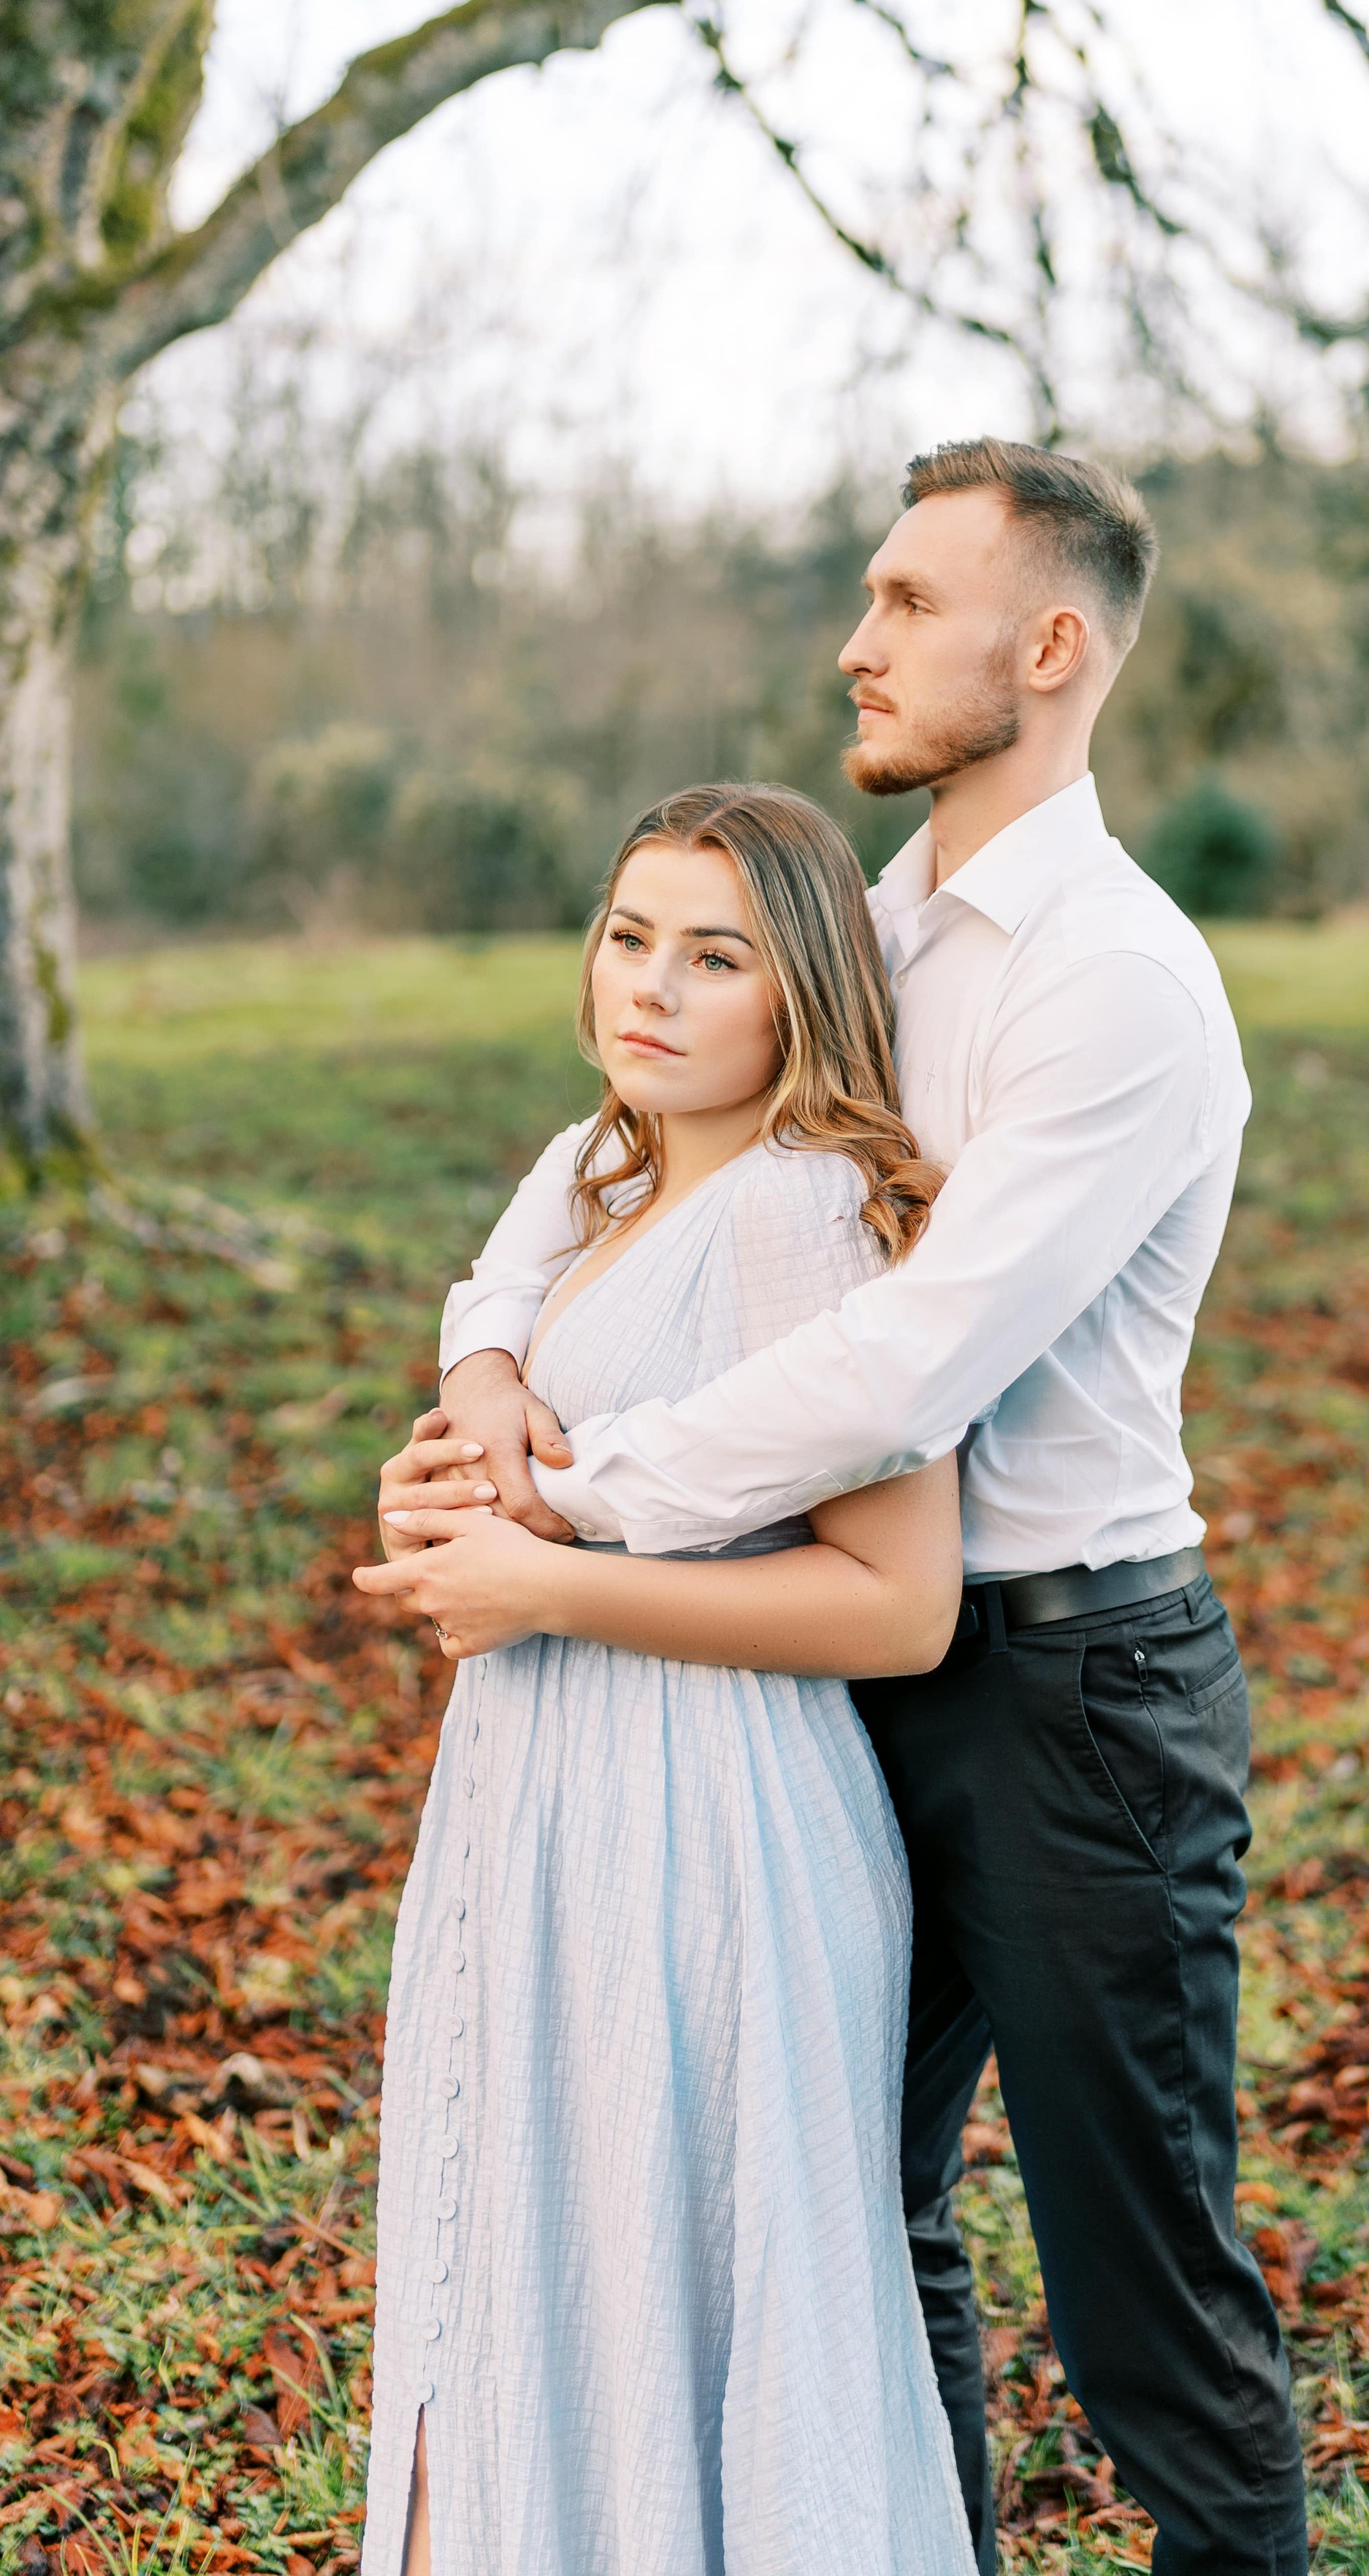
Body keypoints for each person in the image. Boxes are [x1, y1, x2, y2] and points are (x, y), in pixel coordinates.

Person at [418, 439, 1310, 2576]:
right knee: (841, 2210)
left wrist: (578, 1518)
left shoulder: (1114, 979)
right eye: (874, 593)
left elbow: (918, 1363)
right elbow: (609, 1171)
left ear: (1055, 645)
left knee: (1146, 2307)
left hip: (1074, 1688)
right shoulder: (864, 928)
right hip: (818, 1681)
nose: (859, 639)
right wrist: (491, 1385)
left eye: (914, 602)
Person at [351, 784, 975, 2576]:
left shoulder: (808, 1213)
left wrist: (549, 1582)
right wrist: (464, 1439)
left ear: (802, 997)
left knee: (682, 2282)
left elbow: (896, 1603)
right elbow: (498, 1332)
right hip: (533, 1797)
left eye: (715, 956)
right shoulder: (603, 1166)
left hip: (711, 1816)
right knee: (528, 2255)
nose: (650, 987)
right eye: (629, 936)